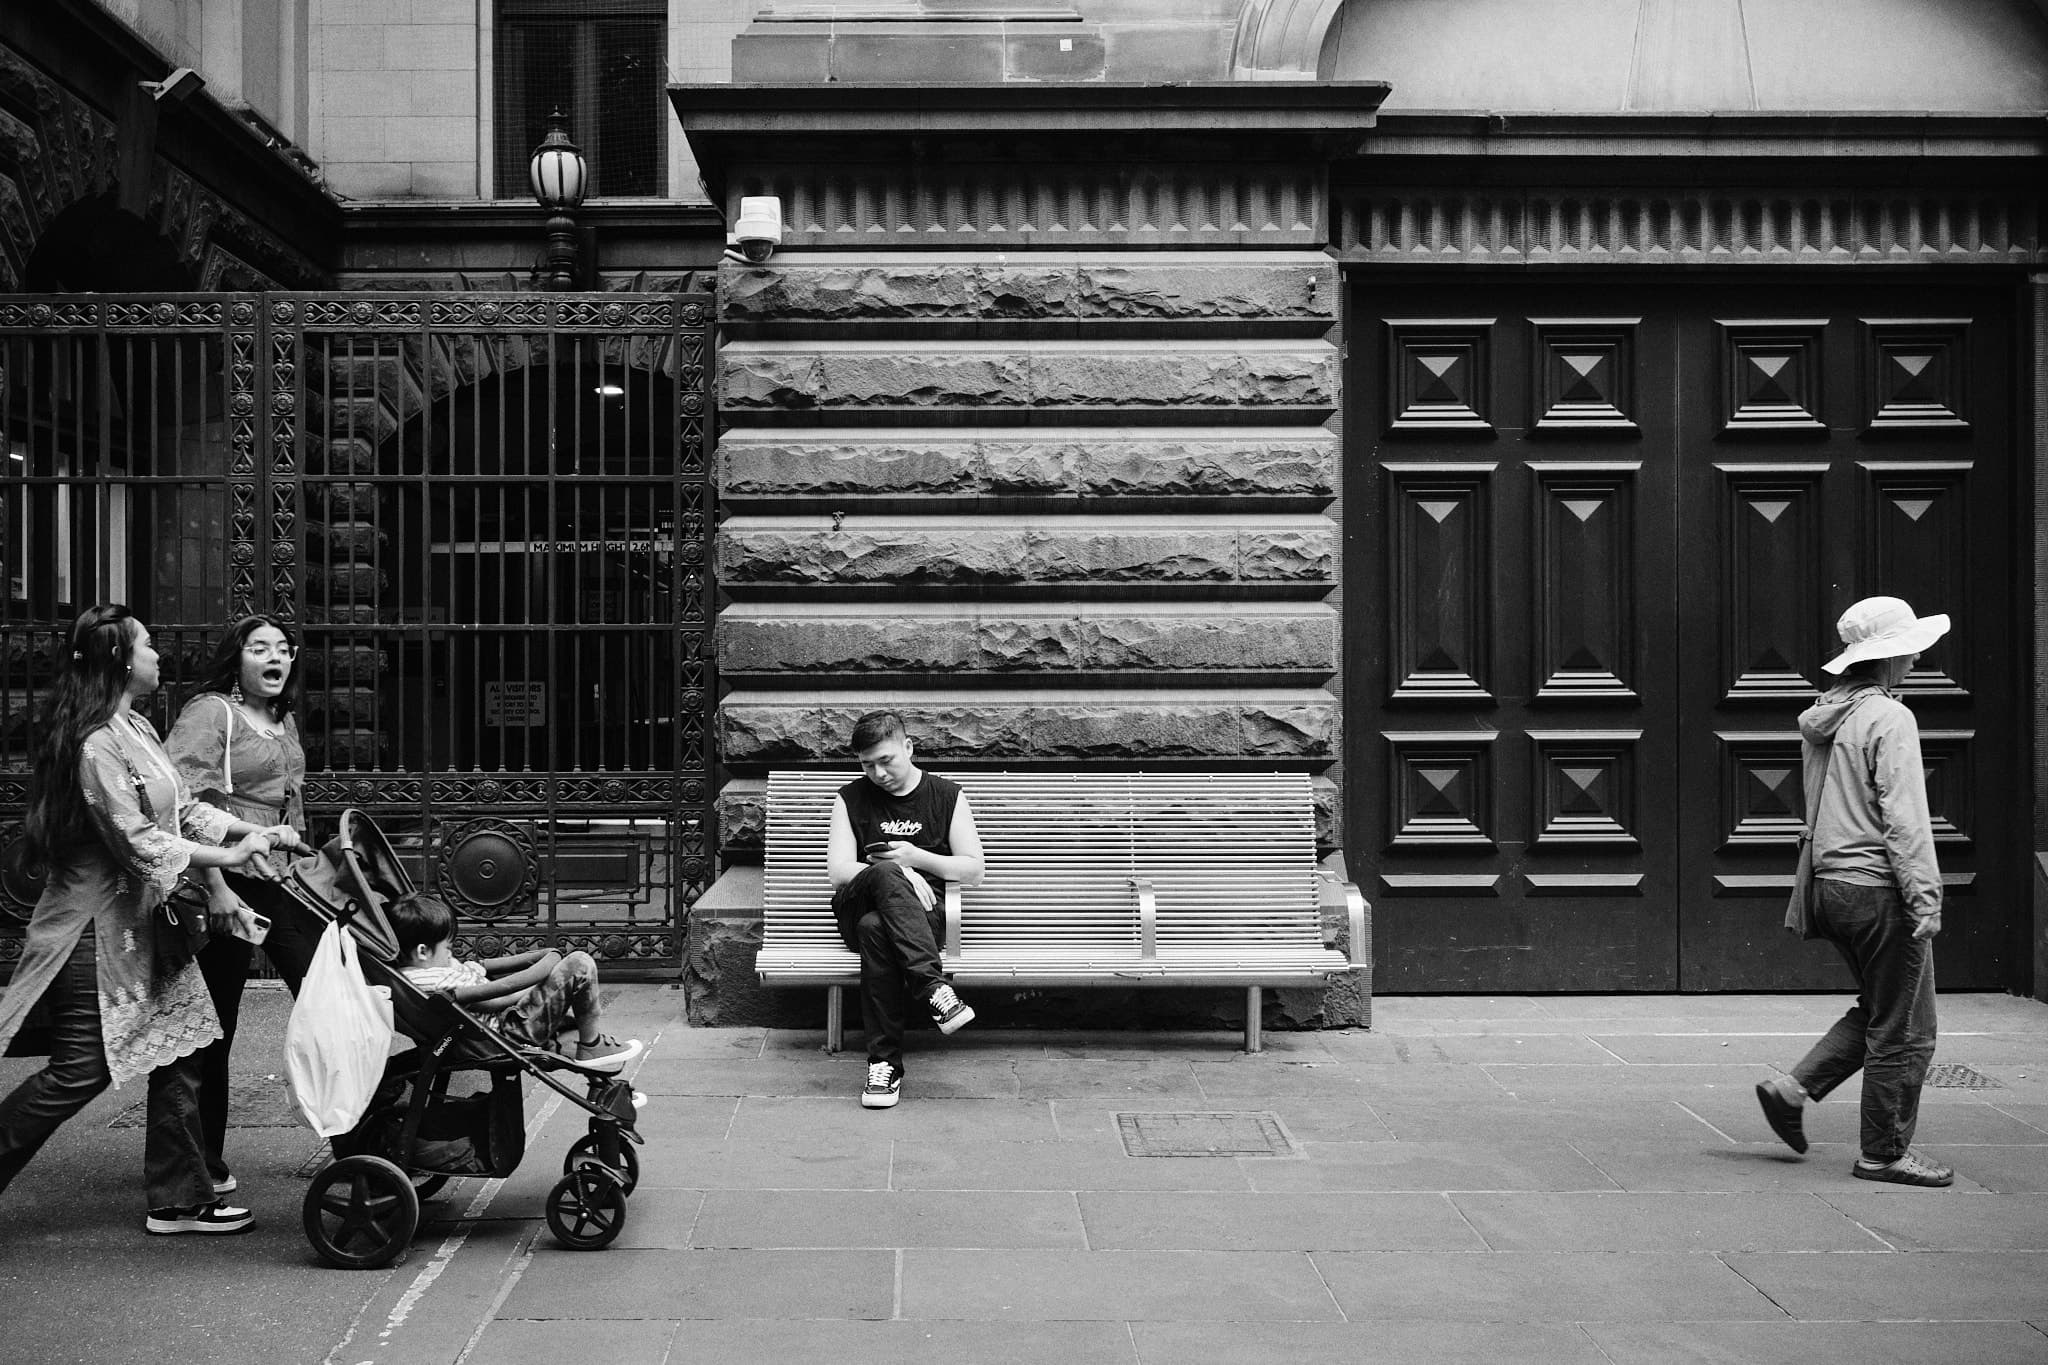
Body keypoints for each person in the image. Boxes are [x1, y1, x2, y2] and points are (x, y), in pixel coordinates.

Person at [0, 605, 297, 1234]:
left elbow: (182, 809)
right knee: (77, 1074)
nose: (159, 654)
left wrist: (255, 832)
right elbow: (136, 839)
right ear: (120, 660)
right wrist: (229, 857)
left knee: (184, 1050)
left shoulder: (133, 726)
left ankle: (180, 1198)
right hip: (93, 935)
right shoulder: (95, 745)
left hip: (144, 922)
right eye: (147, 645)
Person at [1756, 596, 1954, 1187]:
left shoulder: (1828, 713)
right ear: (1887, 659)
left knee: (1881, 1005)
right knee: (1907, 1028)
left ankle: (1791, 1090)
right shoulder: (1890, 718)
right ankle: (1884, 1153)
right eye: (1910, 649)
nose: (1917, 657)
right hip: (1877, 889)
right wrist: (1925, 895)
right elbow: (1905, 818)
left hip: (1830, 885)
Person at [165, 613, 317, 1199]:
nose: (275, 657)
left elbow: (291, 808)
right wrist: (219, 889)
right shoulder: (211, 713)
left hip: (278, 879)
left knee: (321, 985)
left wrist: (303, 871)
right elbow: (181, 807)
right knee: (217, 1022)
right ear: (238, 659)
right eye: (260, 648)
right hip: (223, 881)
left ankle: (356, 1129)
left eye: (283, 648)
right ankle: (203, 1159)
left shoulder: (283, 720)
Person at [826, 710, 985, 1109]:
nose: (878, 773)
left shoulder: (946, 796)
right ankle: (933, 989)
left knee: (875, 929)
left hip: (922, 918)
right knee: (881, 881)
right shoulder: (851, 798)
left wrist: (917, 858)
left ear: (908, 747)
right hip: (857, 899)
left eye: (886, 761)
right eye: (867, 765)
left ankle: (884, 1066)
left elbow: (973, 869)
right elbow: (839, 871)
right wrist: (896, 871)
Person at [387, 892, 642, 1072]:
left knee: (568, 976)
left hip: (498, 1025)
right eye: (448, 948)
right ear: (422, 951)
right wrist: (544, 982)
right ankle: (591, 1045)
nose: (451, 955)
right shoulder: (435, 980)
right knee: (579, 964)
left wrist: (471, 967)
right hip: (509, 1031)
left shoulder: (412, 975)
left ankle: (588, 1045)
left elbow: (466, 974)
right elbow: (494, 997)